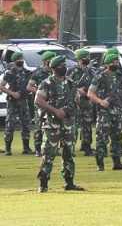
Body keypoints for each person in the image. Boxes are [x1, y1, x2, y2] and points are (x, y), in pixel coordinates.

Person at [34, 55, 84, 192]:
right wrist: (55, 110)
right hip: (52, 124)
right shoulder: (47, 83)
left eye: (65, 64)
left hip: (68, 124)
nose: (64, 67)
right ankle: (43, 184)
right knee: (48, 154)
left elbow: (76, 101)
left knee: (69, 154)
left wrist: (71, 108)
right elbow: (38, 100)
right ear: (54, 68)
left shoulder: (71, 83)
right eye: (61, 65)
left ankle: (70, 182)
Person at [88, 52, 122, 172]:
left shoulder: (120, 76)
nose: (115, 64)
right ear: (107, 64)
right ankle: (100, 164)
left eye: (116, 62)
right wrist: (100, 101)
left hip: (118, 111)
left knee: (117, 138)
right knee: (102, 138)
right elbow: (90, 93)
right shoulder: (100, 76)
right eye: (113, 62)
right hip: (105, 112)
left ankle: (117, 163)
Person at [1, 52, 33, 155]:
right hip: (12, 102)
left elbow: (31, 86)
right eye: (19, 58)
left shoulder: (27, 72)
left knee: (26, 124)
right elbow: (1, 86)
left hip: (24, 101)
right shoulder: (9, 73)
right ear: (15, 61)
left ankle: (26, 147)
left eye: (22, 58)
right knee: (10, 124)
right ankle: (8, 148)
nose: (21, 60)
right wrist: (12, 93)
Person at [27, 50, 56, 157]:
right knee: (39, 126)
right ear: (45, 61)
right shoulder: (38, 73)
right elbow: (29, 87)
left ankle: (51, 148)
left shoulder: (54, 72)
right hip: (41, 104)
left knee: (53, 126)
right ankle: (38, 149)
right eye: (50, 60)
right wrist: (41, 93)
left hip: (53, 104)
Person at [69, 49, 96, 156]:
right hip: (75, 102)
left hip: (87, 102)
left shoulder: (91, 71)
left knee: (87, 125)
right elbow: (67, 84)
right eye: (84, 58)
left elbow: (95, 83)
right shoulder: (72, 71)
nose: (86, 60)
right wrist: (77, 90)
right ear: (78, 59)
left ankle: (87, 146)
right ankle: (70, 148)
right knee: (73, 126)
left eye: (87, 58)